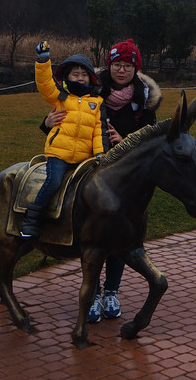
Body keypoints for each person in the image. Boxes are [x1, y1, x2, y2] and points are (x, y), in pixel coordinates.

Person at [41, 38, 161, 323]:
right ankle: (92, 292)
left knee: (119, 237)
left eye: (128, 66)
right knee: (92, 235)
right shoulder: (90, 88)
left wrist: (127, 140)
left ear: (136, 68)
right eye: (117, 64)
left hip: (127, 181)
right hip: (90, 167)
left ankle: (111, 292)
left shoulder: (144, 101)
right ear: (110, 65)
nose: (122, 70)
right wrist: (46, 123)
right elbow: (65, 123)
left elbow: (152, 141)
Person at [20, 41, 104, 241]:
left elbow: (97, 130)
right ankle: (32, 219)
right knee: (54, 181)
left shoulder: (96, 103)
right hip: (59, 153)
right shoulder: (60, 97)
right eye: (75, 74)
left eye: (84, 75)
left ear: (90, 78)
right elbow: (45, 84)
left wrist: (100, 153)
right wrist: (43, 61)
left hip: (84, 157)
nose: (80, 78)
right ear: (66, 77)